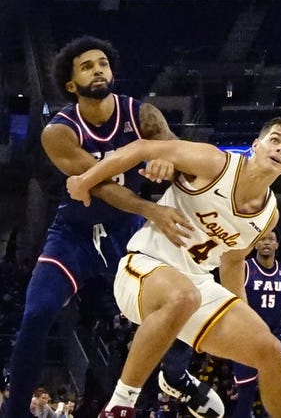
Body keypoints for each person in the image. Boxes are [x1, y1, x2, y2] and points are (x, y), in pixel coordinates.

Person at [2, 37, 220, 418]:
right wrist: (151, 206)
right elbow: (99, 186)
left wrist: (166, 163)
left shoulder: (143, 116)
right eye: (87, 66)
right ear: (71, 85)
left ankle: (176, 374)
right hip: (74, 234)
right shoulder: (58, 132)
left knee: (195, 288)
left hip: (129, 233)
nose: (98, 69)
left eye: (103, 63)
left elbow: (182, 159)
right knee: (36, 314)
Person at [65, 117, 281, 418]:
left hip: (196, 284)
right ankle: (120, 405)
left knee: (270, 350)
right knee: (185, 296)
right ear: (256, 146)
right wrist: (85, 180)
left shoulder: (268, 216)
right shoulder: (216, 163)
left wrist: (244, 316)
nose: (280, 149)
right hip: (144, 267)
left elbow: (232, 261)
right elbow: (143, 147)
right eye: (275, 140)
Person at [232, 231, 281, 418]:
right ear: (255, 244)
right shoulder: (244, 268)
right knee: (245, 397)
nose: (266, 243)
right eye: (262, 239)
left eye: (271, 239)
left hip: (274, 338)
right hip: (246, 338)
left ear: (277, 245)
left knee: (274, 395)